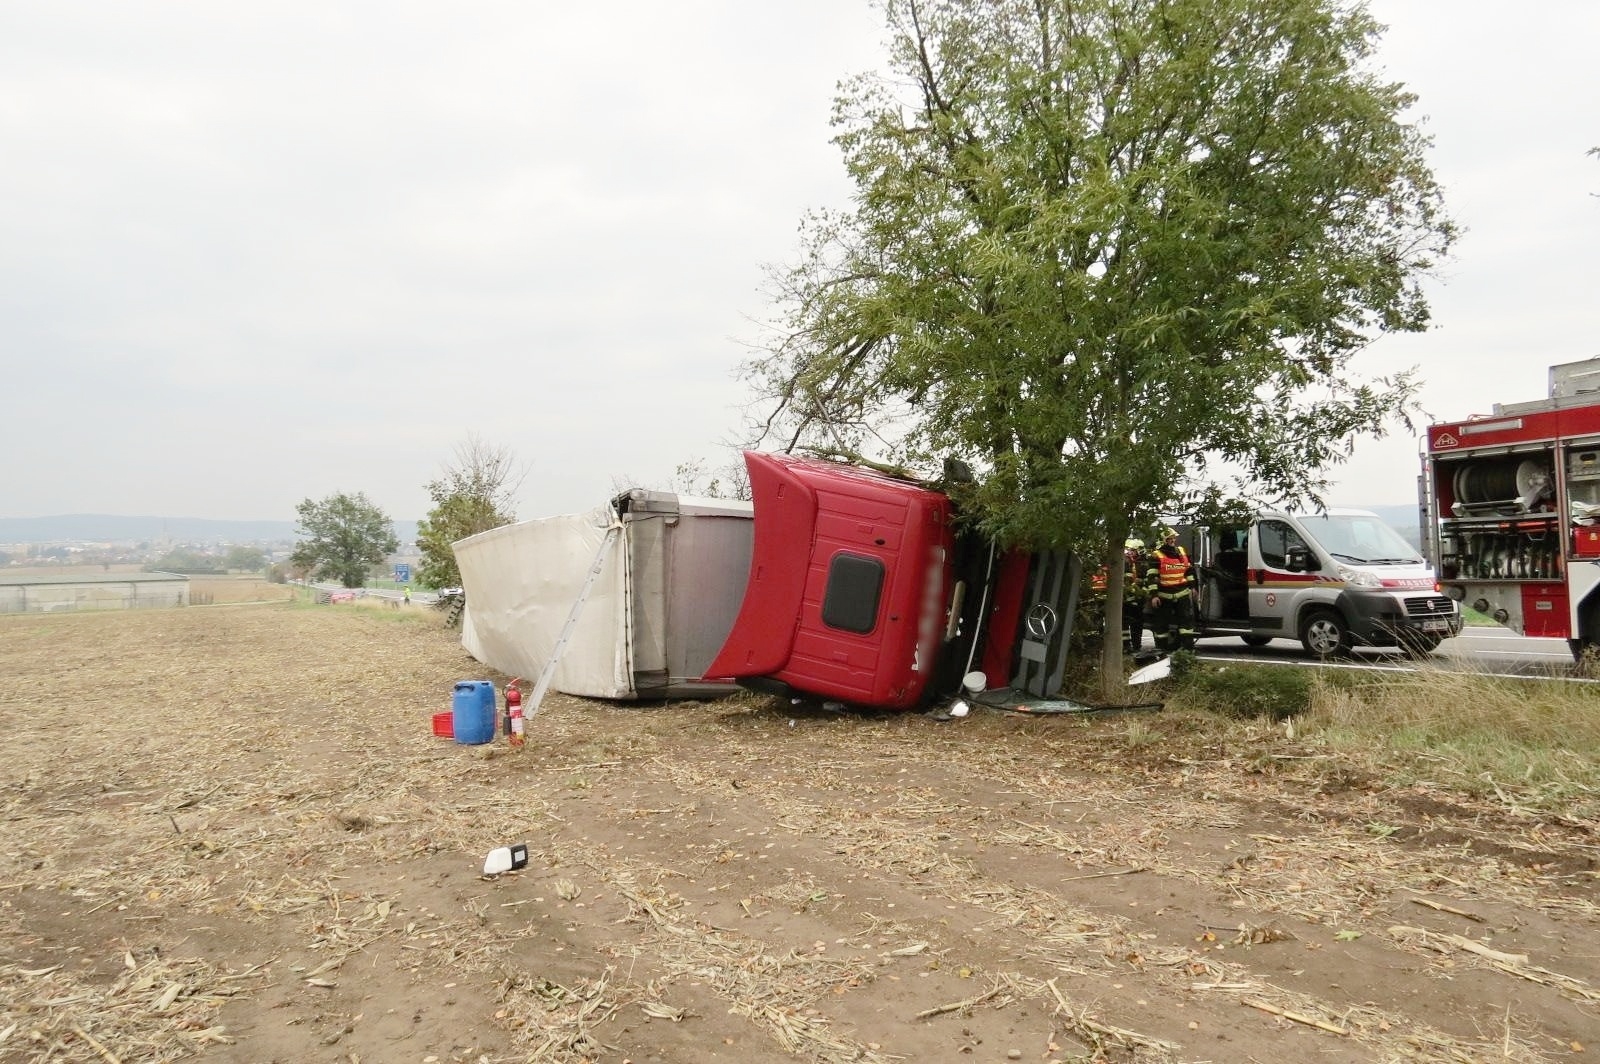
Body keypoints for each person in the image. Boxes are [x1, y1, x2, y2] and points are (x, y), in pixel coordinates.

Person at [1145, 527, 1197, 654]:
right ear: (1163, 540)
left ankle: (1187, 649)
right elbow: (1151, 577)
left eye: (1174, 538)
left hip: (1182, 592)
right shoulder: (1157, 555)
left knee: (1186, 622)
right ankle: (1161, 650)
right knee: (1161, 624)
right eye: (1170, 538)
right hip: (1164, 595)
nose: (1173, 540)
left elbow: (1189, 571)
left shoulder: (1181, 552)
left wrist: (1193, 587)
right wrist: (1154, 596)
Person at [1121, 538, 1147, 655]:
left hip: (1139, 599)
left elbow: (1146, 581)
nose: (1129, 552)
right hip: (1127, 599)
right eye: (1128, 549)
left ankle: (1137, 646)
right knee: (1125, 623)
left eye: (1132, 550)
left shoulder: (1143, 563)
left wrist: (1142, 593)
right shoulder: (1126, 562)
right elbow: (1125, 580)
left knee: (1137, 624)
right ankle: (1126, 646)